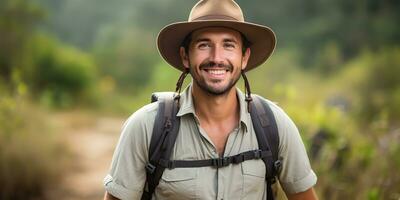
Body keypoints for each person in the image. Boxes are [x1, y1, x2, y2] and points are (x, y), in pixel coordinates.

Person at [103, 0, 318, 199]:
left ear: (244, 57)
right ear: (185, 56)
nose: (216, 58)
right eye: (204, 45)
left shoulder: (274, 125)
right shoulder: (146, 127)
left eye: (228, 45)